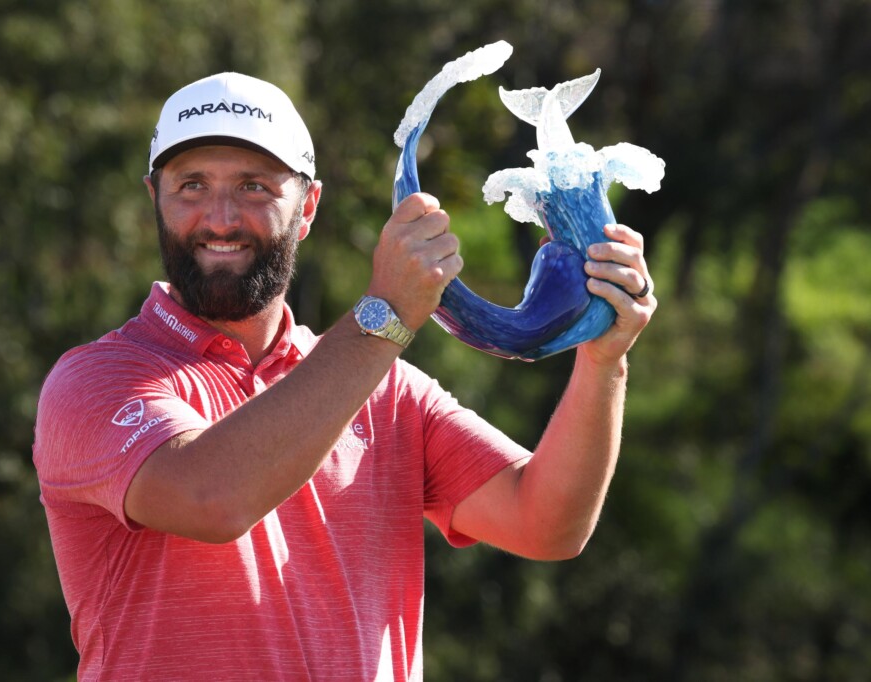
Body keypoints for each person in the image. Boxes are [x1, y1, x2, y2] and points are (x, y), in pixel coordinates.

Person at [33, 71, 656, 681]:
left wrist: (604, 362)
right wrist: (386, 314)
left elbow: (547, 523)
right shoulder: (95, 380)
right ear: (155, 199)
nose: (219, 217)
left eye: (254, 187)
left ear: (308, 207)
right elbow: (210, 497)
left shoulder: (386, 388)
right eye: (191, 185)